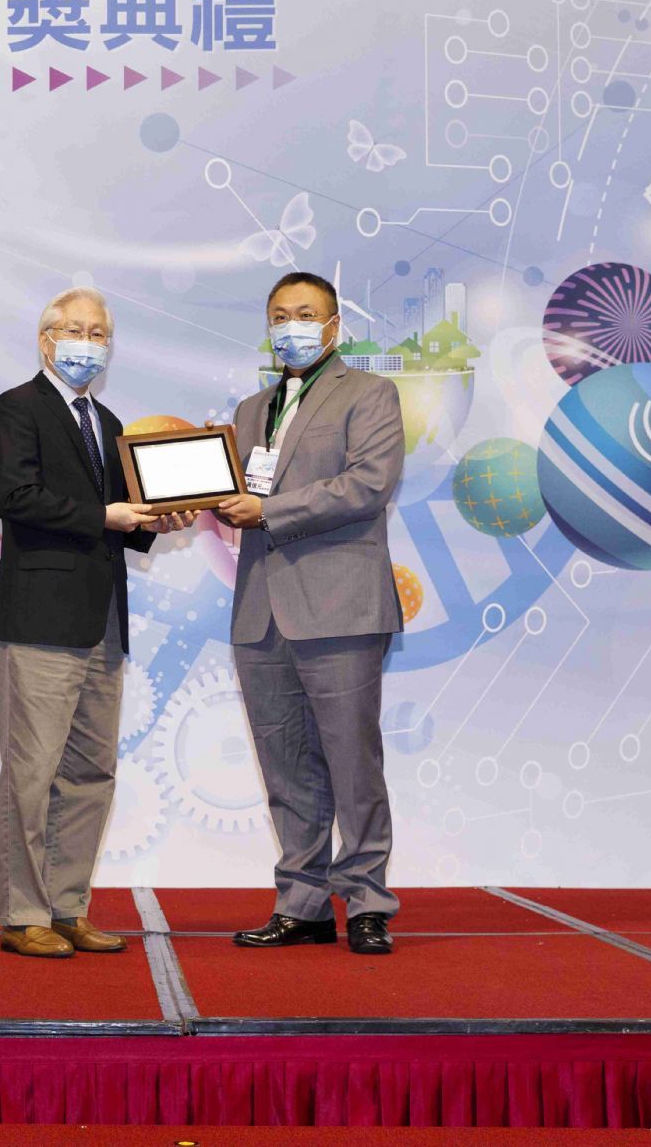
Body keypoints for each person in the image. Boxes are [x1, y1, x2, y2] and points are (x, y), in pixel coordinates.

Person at [0, 287, 194, 958]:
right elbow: (15, 496)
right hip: (40, 618)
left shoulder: (108, 421)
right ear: (46, 340)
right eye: (75, 329)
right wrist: (105, 516)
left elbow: (126, 516)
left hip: (102, 620)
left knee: (91, 772)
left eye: (98, 332)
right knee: (32, 771)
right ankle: (23, 914)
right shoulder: (16, 408)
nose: (88, 342)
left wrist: (161, 519)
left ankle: (67, 906)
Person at [213, 271, 408, 956]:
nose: (289, 326)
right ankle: (302, 902)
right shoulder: (250, 409)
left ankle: (366, 902)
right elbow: (233, 493)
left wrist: (267, 509)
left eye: (304, 314)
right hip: (260, 610)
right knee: (285, 766)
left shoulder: (369, 393)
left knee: (352, 764)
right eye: (278, 315)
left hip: (340, 606)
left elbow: (368, 484)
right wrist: (197, 498)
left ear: (333, 325)